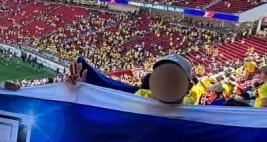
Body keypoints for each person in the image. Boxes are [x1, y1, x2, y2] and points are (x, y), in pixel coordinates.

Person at [68, 54, 196, 105]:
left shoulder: (197, 117)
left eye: (173, 79)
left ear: (188, 87)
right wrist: (81, 92)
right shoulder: (138, 101)